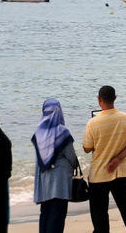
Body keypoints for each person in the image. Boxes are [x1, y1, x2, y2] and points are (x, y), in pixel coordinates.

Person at [83, 85, 126, 233]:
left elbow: (87, 148)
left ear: (99, 100)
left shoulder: (93, 123)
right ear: (115, 98)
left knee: (99, 213)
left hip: (99, 174)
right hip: (120, 172)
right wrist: (118, 158)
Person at [33, 99, 79, 233]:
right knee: (57, 214)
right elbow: (71, 156)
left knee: (45, 213)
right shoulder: (62, 131)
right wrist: (76, 165)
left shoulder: (38, 132)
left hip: (44, 182)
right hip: (59, 182)